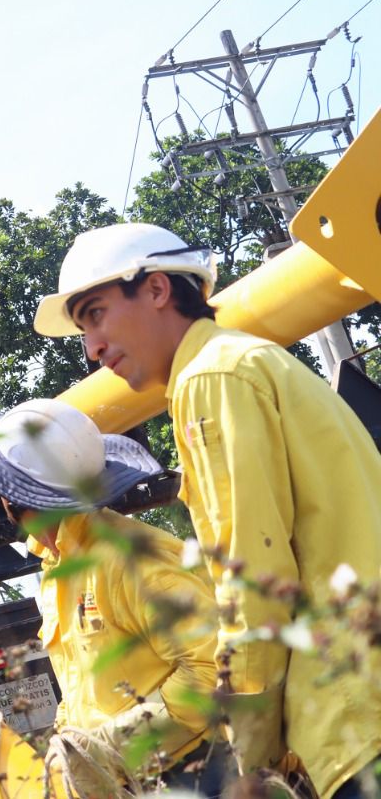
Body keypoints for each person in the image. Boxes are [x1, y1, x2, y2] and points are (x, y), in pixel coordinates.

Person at [36, 222, 381, 799]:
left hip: (352, 714)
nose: (91, 348)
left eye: (95, 313)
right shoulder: (248, 363)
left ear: (156, 290)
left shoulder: (209, 380)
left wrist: (252, 753)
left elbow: (254, 581)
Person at [0, 397, 223, 792]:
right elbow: (89, 687)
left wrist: (114, 747)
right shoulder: (62, 568)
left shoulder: (129, 561)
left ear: (17, 500)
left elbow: (217, 669)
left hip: (193, 777)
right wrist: (70, 741)